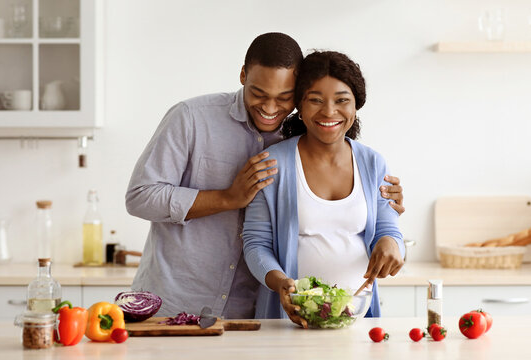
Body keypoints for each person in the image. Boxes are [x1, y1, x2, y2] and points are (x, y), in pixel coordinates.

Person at [126, 33, 404, 319]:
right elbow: (140, 197)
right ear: (243, 74)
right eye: (259, 93)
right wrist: (227, 198)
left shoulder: (310, 140)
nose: (271, 108)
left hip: (246, 311)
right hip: (175, 301)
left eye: (284, 98)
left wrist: (386, 217)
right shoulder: (192, 118)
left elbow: (380, 220)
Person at [242, 50, 404, 326]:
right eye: (315, 100)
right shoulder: (272, 163)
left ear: (355, 107)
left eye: (342, 101)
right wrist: (280, 281)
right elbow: (256, 244)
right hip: (291, 318)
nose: (329, 111)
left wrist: (392, 243)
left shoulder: (372, 162)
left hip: (358, 317)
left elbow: (388, 230)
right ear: (300, 108)